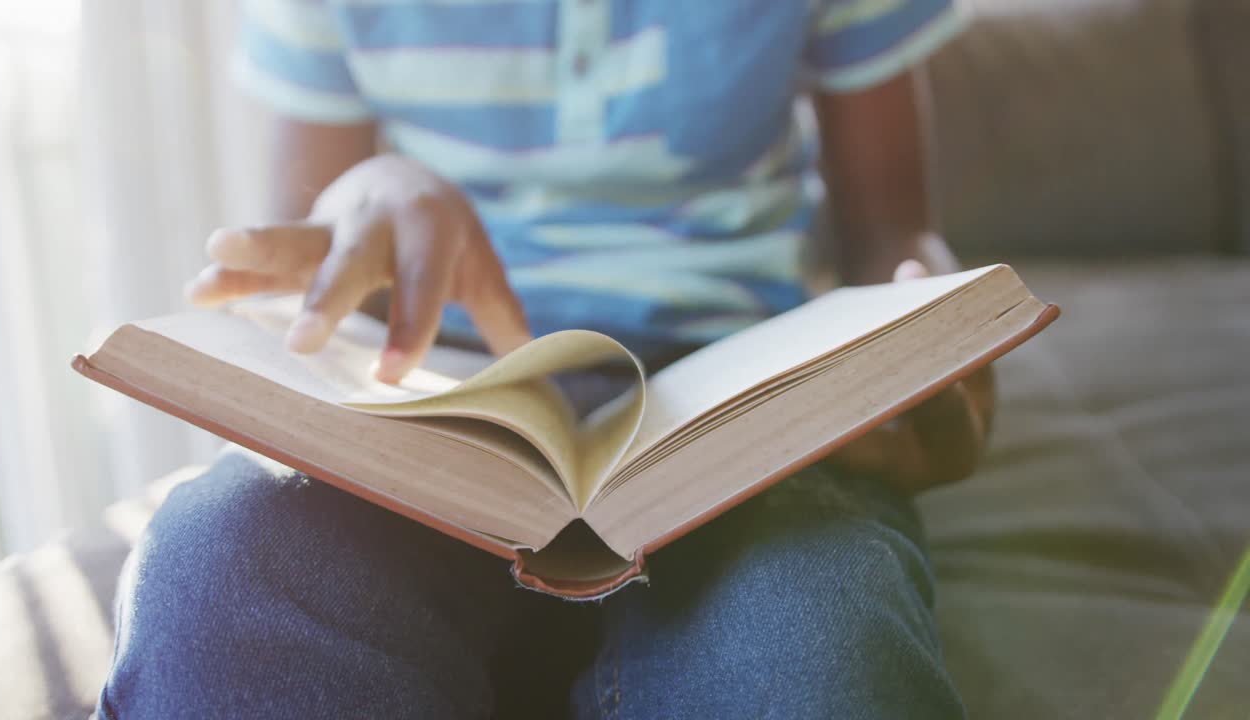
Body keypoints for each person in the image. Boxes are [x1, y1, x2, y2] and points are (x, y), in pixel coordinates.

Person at [97, 1, 992, 717]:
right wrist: (374, 192)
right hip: (436, 387)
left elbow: (893, 226)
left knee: (819, 634)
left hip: (738, 397)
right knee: (220, 563)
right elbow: (311, 246)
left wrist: (929, 323)